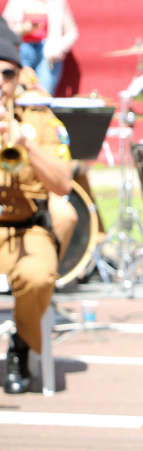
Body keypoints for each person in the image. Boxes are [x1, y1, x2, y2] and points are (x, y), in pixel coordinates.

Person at [0, 39, 73, 394]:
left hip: (24, 227)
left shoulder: (41, 120)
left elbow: (62, 184)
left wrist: (26, 144)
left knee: (39, 276)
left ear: (17, 78)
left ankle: (22, 344)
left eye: (6, 73)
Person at [2, 0, 79, 95]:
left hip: (48, 54)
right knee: (21, 93)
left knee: (44, 95)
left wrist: (58, 48)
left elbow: (72, 31)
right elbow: (4, 30)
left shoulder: (58, 0)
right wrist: (23, 29)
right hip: (22, 51)